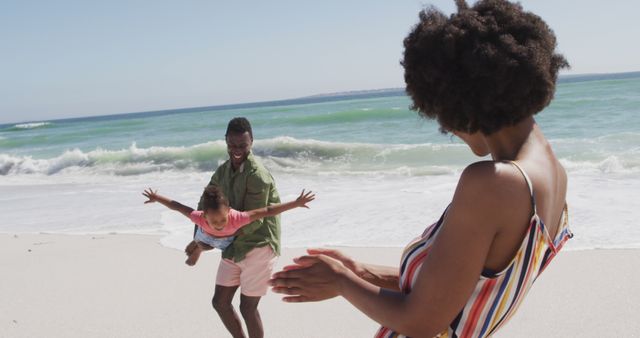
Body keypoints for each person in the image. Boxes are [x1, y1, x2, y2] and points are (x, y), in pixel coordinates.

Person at [269, 1, 573, 337]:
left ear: (463, 100)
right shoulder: (553, 175)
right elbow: (456, 290)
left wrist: (341, 282)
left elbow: (421, 322)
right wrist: (361, 272)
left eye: (441, 111)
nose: (447, 126)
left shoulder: (493, 184)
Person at [195, 117, 282, 338]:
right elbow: (204, 204)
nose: (236, 150)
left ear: (251, 142)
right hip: (232, 244)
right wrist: (199, 237)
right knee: (220, 302)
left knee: (247, 307)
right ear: (225, 141)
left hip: (259, 244)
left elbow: (255, 221)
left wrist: (215, 237)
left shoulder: (257, 176)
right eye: (232, 145)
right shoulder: (222, 171)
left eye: (242, 145)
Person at [142, 186, 314, 266]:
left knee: (214, 247)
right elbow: (178, 206)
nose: (219, 224)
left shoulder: (237, 218)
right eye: (214, 221)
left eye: (222, 219)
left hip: (227, 240)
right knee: (203, 243)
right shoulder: (199, 218)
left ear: (229, 211)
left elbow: (268, 210)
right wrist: (157, 198)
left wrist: (296, 203)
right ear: (204, 215)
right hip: (204, 234)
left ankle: (199, 248)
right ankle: (198, 249)